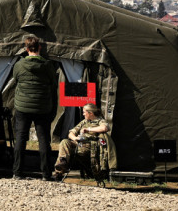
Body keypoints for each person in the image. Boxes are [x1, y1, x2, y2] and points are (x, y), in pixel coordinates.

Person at [11, 35, 57, 181]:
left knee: (20, 139)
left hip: (22, 106)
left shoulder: (19, 65)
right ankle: (46, 174)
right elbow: (53, 84)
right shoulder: (48, 65)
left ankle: (17, 172)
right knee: (43, 140)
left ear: (26, 49)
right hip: (42, 107)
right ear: (39, 48)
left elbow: (16, 80)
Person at [53, 103, 115, 180]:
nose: (83, 114)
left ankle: (59, 172)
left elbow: (105, 128)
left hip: (90, 145)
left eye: (84, 112)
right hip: (79, 143)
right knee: (64, 142)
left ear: (90, 113)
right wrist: (75, 138)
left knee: (75, 151)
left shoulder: (99, 121)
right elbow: (71, 133)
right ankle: (62, 163)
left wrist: (88, 129)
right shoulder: (84, 122)